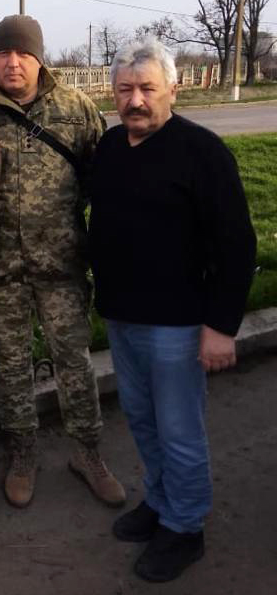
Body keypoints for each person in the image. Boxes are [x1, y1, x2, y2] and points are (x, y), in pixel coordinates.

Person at [89, 38, 256, 582]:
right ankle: (160, 503)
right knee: (142, 421)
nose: (135, 100)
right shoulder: (111, 146)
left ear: (172, 90)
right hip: (122, 316)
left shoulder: (202, 153)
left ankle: (185, 528)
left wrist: (221, 327)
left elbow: (237, 244)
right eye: (125, 89)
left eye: (147, 88)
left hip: (178, 324)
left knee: (179, 430)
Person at [0, 15, 125, 509]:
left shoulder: (75, 109)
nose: (13, 62)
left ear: (39, 58)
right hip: (0, 269)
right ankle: (22, 452)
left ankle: (87, 452)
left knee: (74, 360)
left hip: (62, 264)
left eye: (23, 53)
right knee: (11, 364)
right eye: (3, 53)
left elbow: (103, 180)